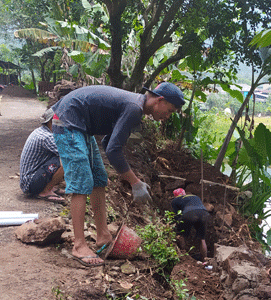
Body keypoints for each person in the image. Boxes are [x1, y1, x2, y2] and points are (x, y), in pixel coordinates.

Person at [51, 82, 184, 266]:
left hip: (80, 126)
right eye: (169, 110)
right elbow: (113, 150)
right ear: (159, 100)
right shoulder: (134, 108)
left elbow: (108, 143)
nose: (167, 116)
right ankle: (79, 245)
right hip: (68, 121)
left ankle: (103, 235)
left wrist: (132, 179)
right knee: (82, 182)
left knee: (99, 177)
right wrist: (134, 182)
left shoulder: (135, 108)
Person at [19, 108, 65, 203]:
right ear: (52, 121)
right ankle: (45, 191)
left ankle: (50, 187)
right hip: (30, 183)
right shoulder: (47, 137)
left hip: (28, 181)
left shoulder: (41, 131)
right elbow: (68, 153)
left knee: (59, 158)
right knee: (66, 161)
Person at [171, 188, 210, 261]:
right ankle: (205, 261)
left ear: (175, 196)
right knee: (202, 239)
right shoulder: (195, 196)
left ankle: (184, 257)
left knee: (181, 235)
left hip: (189, 214)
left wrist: (176, 225)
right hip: (204, 214)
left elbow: (177, 215)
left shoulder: (175, 201)